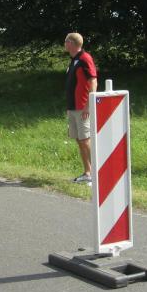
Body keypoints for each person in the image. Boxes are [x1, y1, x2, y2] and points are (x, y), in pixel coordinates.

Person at [64, 32, 98, 185]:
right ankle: (87, 172)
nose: (65, 44)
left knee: (85, 140)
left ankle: (97, 174)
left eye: (66, 41)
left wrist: (88, 106)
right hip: (73, 107)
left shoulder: (85, 58)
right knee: (79, 140)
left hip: (82, 107)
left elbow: (93, 81)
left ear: (72, 43)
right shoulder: (74, 60)